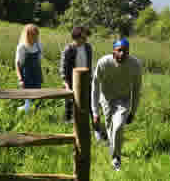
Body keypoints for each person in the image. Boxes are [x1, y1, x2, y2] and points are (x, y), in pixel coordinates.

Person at [91, 37, 142, 172]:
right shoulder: (104, 63)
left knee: (118, 126)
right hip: (106, 99)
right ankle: (112, 146)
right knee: (110, 129)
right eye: (119, 50)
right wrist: (95, 112)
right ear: (113, 52)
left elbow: (137, 89)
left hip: (123, 101)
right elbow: (95, 86)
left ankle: (116, 160)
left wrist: (133, 111)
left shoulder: (135, 65)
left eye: (126, 51)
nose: (122, 54)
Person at [59, 25, 93, 123]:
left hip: (86, 78)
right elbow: (63, 68)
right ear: (76, 37)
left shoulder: (88, 47)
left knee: (88, 102)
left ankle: (89, 122)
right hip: (72, 80)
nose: (86, 39)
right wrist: (66, 83)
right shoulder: (69, 49)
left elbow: (89, 64)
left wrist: (91, 77)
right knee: (70, 104)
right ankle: (67, 123)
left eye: (86, 37)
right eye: (83, 37)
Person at [15, 24, 43, 113]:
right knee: (28, 100)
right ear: (27, 35)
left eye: (36, 35)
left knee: (37, 99)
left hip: (36, 75)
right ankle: (24, 116)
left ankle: (36, 117)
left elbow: (39, 61)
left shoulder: (39, 45)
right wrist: (20, 79)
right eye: (33, 35)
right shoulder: (22, 47)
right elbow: (17, 64)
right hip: (26, 76)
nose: (35, 37)